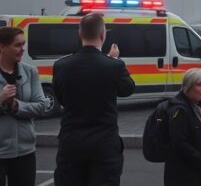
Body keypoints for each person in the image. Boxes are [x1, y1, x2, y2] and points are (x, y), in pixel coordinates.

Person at [53, 13, 135, 186]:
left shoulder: (61, 65)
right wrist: (115, 59)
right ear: (103, 35)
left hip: (71, 143)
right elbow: (127, 89)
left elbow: (61, 99)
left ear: (80, 34)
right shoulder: (114, 65)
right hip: (104, 145)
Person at [0, 27, 46, 186]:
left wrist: (15, 106)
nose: (23, 49)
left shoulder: (30, 72)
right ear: (2, 47)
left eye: (23, 44)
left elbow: (41, 106)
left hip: (25, 151)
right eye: (17, 45)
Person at [164, 69, 201, 186]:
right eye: (200, 85)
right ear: (188, 86)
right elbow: (179, 143)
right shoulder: (179, 110)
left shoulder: (199, 106)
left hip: (195, 169)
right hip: (181, 174)